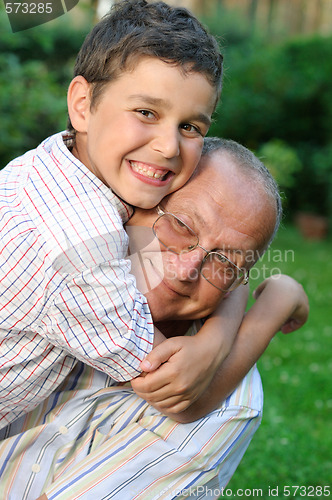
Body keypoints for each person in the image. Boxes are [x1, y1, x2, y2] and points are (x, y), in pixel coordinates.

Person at [0, 139, 309, 500]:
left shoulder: (228, 402)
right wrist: (270, 305)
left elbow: (193, 401)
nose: (186, 270)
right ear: (133, 206)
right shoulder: (60, 260)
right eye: (181, 226)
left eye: (224, 262)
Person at [0, 0, 223, 429]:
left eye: (191, 127)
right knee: (238, 395)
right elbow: (178, 391)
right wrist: (267, 306)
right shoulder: (83, 245)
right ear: (83, 105)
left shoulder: (54, 161)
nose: (169, 147)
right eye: (146, 112)